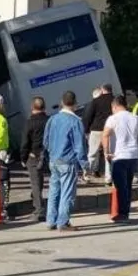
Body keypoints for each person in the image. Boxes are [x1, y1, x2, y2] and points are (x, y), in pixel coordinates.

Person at [42, 90, 88, 231]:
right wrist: (84, 164)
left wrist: (51, 153)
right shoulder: (76, 122)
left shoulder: (52, 119)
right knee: (67, 193)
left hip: (54, 160)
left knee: (54, 191)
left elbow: (46, 141)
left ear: (61, 103)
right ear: (75, 104)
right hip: (68, 161)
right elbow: (79, 146)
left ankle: (51, 220)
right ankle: (63, 222)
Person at [102, 94, 138, 223]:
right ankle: (126, 212)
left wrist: (106, 152)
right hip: (133, 155)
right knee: (128, 185)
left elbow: (105, 134)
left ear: (114, 106)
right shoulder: (135, 118)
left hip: (119, 156)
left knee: (120, 187)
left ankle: (122, 214)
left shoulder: (113, 119)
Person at [19, 96, 49, 221]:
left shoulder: (29, 122)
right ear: (44, 107)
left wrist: (23, 157)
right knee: (47, 182)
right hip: (48, 154)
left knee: (36, 184)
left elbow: (25, 142)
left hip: (33, 156)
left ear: (32, 107)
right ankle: (47, 206)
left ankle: (39, 210)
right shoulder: (49, 120)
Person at [80, 83, 114, 182]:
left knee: (92, 153)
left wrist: (85, 130)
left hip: (96, 129)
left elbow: (88, 116)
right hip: (110, 130)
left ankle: (86, 175)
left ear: (103, 90)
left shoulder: (96, 101)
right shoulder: (115, 100)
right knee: (108, 153)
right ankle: (109, 177)